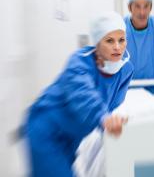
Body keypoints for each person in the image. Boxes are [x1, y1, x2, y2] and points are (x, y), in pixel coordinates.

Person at [24, 11, 133, 177]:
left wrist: (113, 123)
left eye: (121, 40)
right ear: (97, 43)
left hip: (74, 135)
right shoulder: (79, 62)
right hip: (47, 129)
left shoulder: (125, 70)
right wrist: (104, 118)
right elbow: (84, 96)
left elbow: (112, 106)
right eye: (109, 41)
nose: (118, 47)